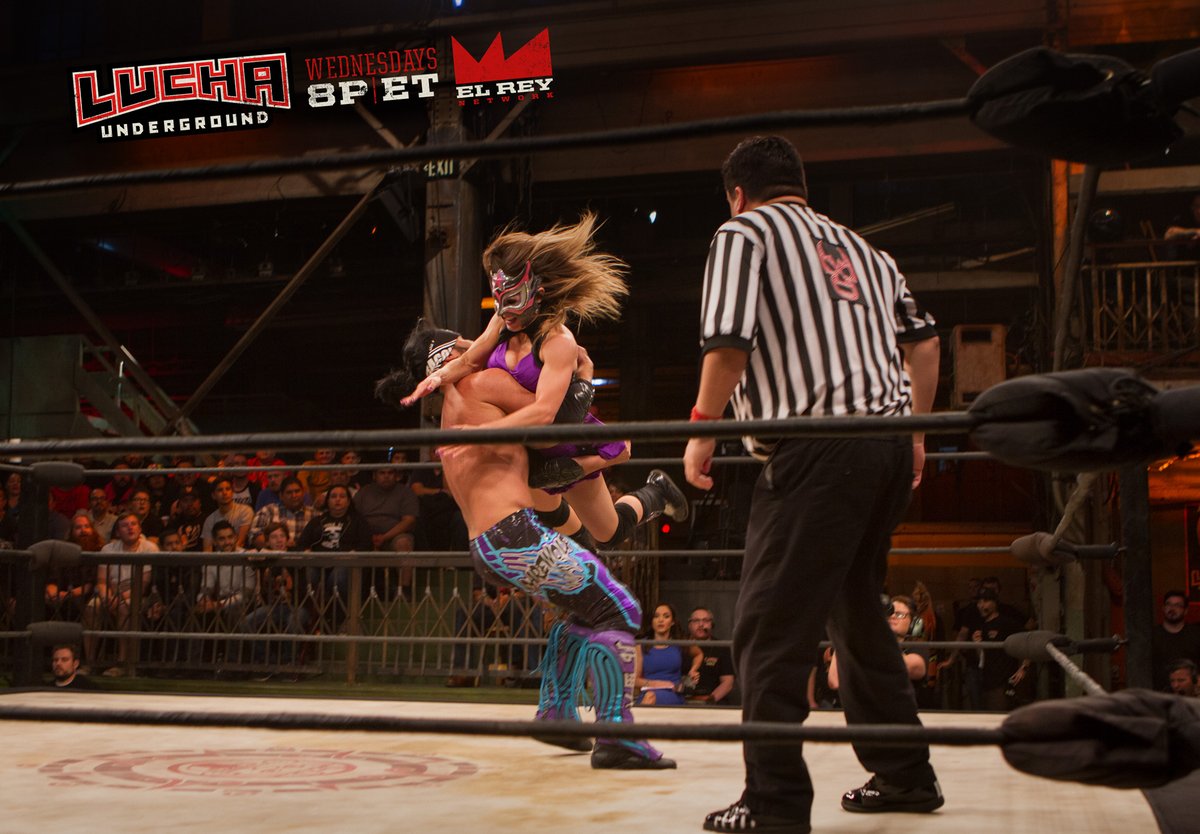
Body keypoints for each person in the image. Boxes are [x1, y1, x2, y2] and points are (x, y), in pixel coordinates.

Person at [683, 135, 943, 832]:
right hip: (886, 448)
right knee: (858, 616)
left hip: (818, 450)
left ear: (738, 193)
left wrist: (702, 427)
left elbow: (728, 342)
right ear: (800, 184)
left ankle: (773, 804)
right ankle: (906, 776)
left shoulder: (743, 233)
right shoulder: (868, 252)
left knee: (767, 628)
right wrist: (916, 433)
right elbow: (924, 342)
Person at [397, 215, 689, 550]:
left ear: (538, 292)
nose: (504, 311)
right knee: (544, 499)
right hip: (528, 446)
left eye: (512, 300)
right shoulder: (501, 322)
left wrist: (482, 433)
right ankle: (580, 557)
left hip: (562, 438)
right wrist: (433, 379)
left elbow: (547, 414)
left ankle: (655, 492)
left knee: (610, 533)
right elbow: (469, 360)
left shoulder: (557, 341)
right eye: (499, 301)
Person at [437, 370, 674, 769]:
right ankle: (615, 734)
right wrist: (605, 444)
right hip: (516, 535)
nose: (472, 347)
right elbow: (552, 411)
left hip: (489, 544)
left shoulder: (452, 412)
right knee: (620, 609)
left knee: (588, 606)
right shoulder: (483, 384)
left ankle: (558, 713)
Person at [828, 595, 929, 691]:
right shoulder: (865, 642)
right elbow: (835, 681)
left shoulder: (917, 647)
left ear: (913, 623)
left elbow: (911, 667)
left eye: (899, 614)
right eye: (889, 613)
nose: (892, 616)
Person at [635, 602, 702, 706]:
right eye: (656, 616)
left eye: (666, 616)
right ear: (652, 621)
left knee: (650, 697)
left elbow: (698, 654)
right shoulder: (641, 645)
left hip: (672, 693)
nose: (660, 620)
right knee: (649, 696)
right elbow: (635, 680)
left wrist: (693, 670)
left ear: (672, 622)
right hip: (648, 691)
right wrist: (656, 684)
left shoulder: (680, 642)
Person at [1151, 590, 1200, 692]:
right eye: (1168, 604)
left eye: (1177, 605)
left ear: (1185, 610)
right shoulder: (1151, 635)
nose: (1172, 608)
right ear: (1163, 608)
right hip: (1159, 692)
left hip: (1189, 693)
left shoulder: (1196, 634)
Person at [687, 606, 736, 705]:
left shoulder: (721, 647)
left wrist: (708, 702)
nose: (701, 624)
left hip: (714, 701)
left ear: (712, 624)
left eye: (705, 620)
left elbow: (727, 683)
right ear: (690, 625)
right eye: (696, 621)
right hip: (682, 702)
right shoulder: (680, 646)